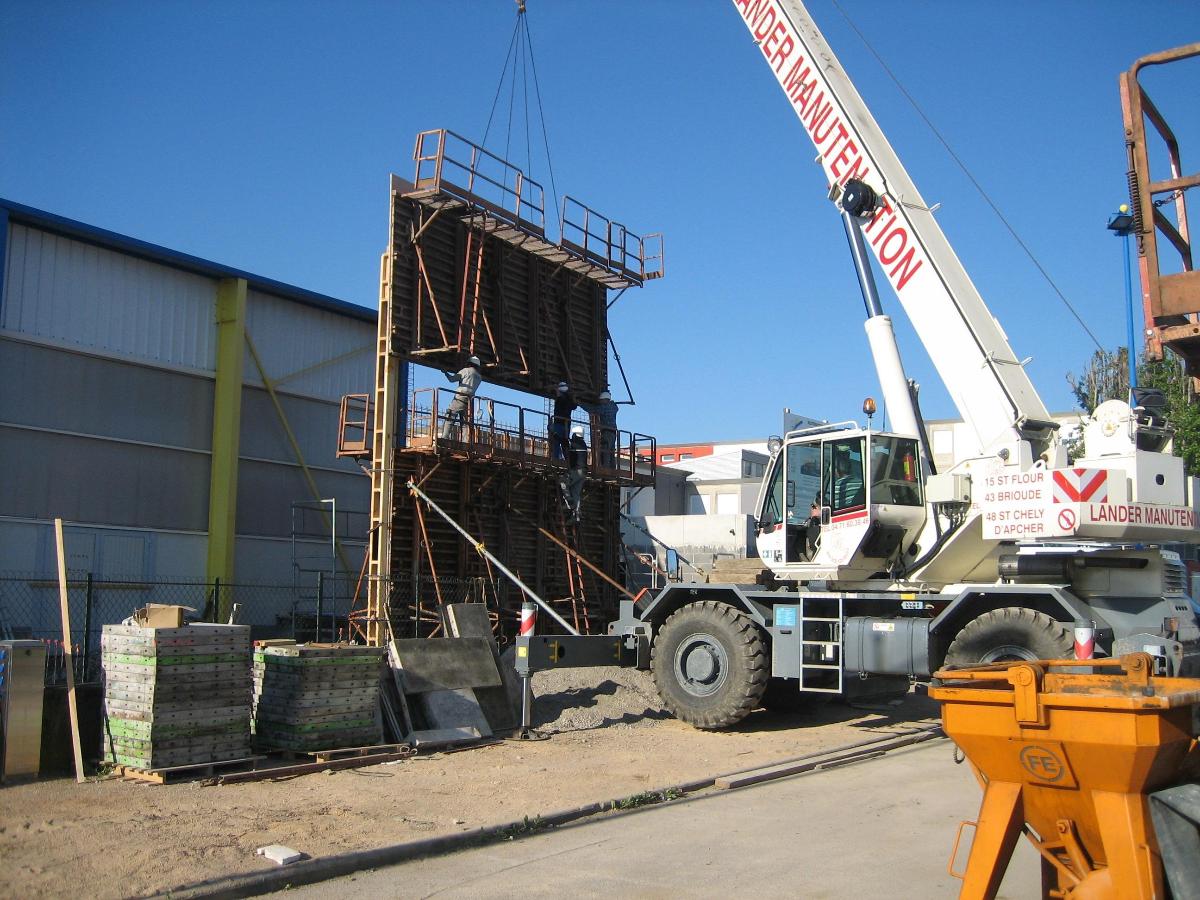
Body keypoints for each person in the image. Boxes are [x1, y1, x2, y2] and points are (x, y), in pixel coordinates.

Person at [440, 356, 482, 440]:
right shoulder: (479, 377)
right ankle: (465, 441)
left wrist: (445, 372)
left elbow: (452, 379)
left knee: (449, 417)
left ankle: (444, 438)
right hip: (470, 401)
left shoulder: (465, 371)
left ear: (469, 363)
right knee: (465, 423)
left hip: (460, 398)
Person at [559, 424, 588, 523]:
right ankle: (576, 516)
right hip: (583, 473)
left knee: (563, 482)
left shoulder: (575, 443)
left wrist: (553, 433)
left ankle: (569, 502)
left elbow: (564, 442)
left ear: (575, 434)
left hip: (577, 471)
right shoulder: (583, 444)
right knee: (576, 493)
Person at [587, 389, 620, 469]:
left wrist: (580, 403)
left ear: (605, 399)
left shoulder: (605, 407)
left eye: (601, 400)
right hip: (613, 432)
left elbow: (594, 410)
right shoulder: (613, 407)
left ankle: (605, 468)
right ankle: (612, 469)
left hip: (606, 431)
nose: (600, 402)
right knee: (611, 452)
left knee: (605, 450)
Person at [550, 382, 575, 460]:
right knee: (565, 442)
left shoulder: (560, 399)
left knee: (556, 441)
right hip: (566, 425)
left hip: (558, 424)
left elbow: (559, 396)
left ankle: (556, 459)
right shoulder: (569, 400)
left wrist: (555, 388)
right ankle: (568, 459)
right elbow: (574, 406)